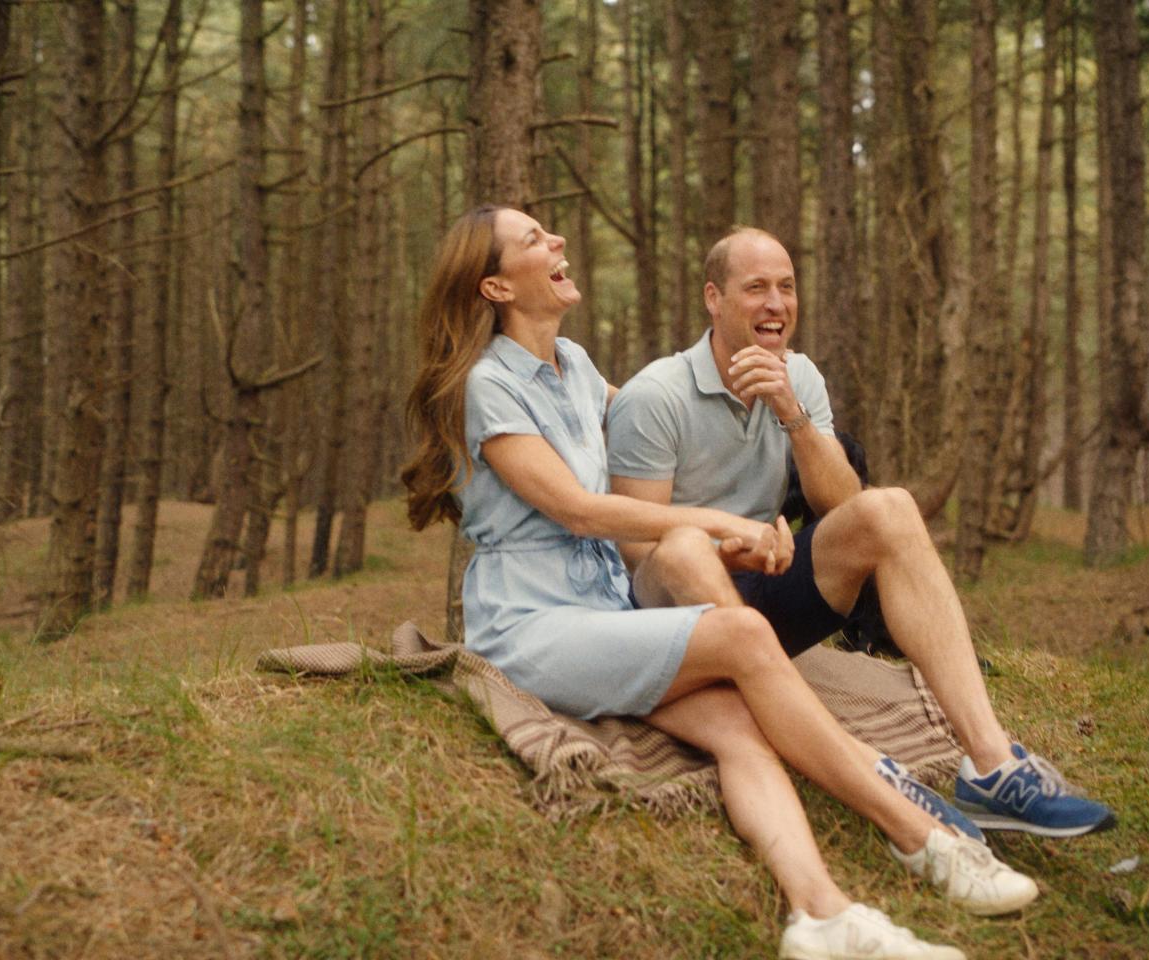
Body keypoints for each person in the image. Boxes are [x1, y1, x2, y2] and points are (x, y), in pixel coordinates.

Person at [401, 205, 1037, 960]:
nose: (557, 240)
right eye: (534, 239)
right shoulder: (485, 385)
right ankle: (917, 830)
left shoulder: (574, 368)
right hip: (533, 625)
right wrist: (720, 525)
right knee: (741, 634)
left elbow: (647, 420)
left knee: (739, 727)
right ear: (496, 286)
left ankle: (822, 915)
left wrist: (763, 478)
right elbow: (574, 509)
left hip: (609, 614)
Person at [606, 226, 1117, 839]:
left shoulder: (802, 378)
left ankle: (991, 765)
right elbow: (635, 548)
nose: (776, 303)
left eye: (787, 288)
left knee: (891, 508)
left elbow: (843, 506)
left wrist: (791, 413)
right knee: (684, 550)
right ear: (714, 299)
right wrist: (727, 550)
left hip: (765, 591)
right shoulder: (656, 395)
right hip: (679, 618)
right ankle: (862, 768)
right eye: (756, 288)